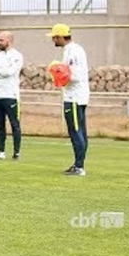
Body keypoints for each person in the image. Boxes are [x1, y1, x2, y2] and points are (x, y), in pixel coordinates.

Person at [47, 24, 90, 176]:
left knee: (76, 131)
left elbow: (76, 75)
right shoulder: (70, 50)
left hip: (74, 97)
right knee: (79, 131)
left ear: (60, 37)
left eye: (54, 37)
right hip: (76, 96)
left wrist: (57, 70)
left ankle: (79, 166)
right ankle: (78, 164)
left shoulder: (73, 51)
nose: (53, 40)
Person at [0, 31, 24, 160]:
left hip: (11, 95)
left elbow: (10, 72)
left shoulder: (17, 56)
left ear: (9, 40)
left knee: (15, 124)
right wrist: (0, 71)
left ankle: (16, 152)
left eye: (1, 40)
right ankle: (1, 151)